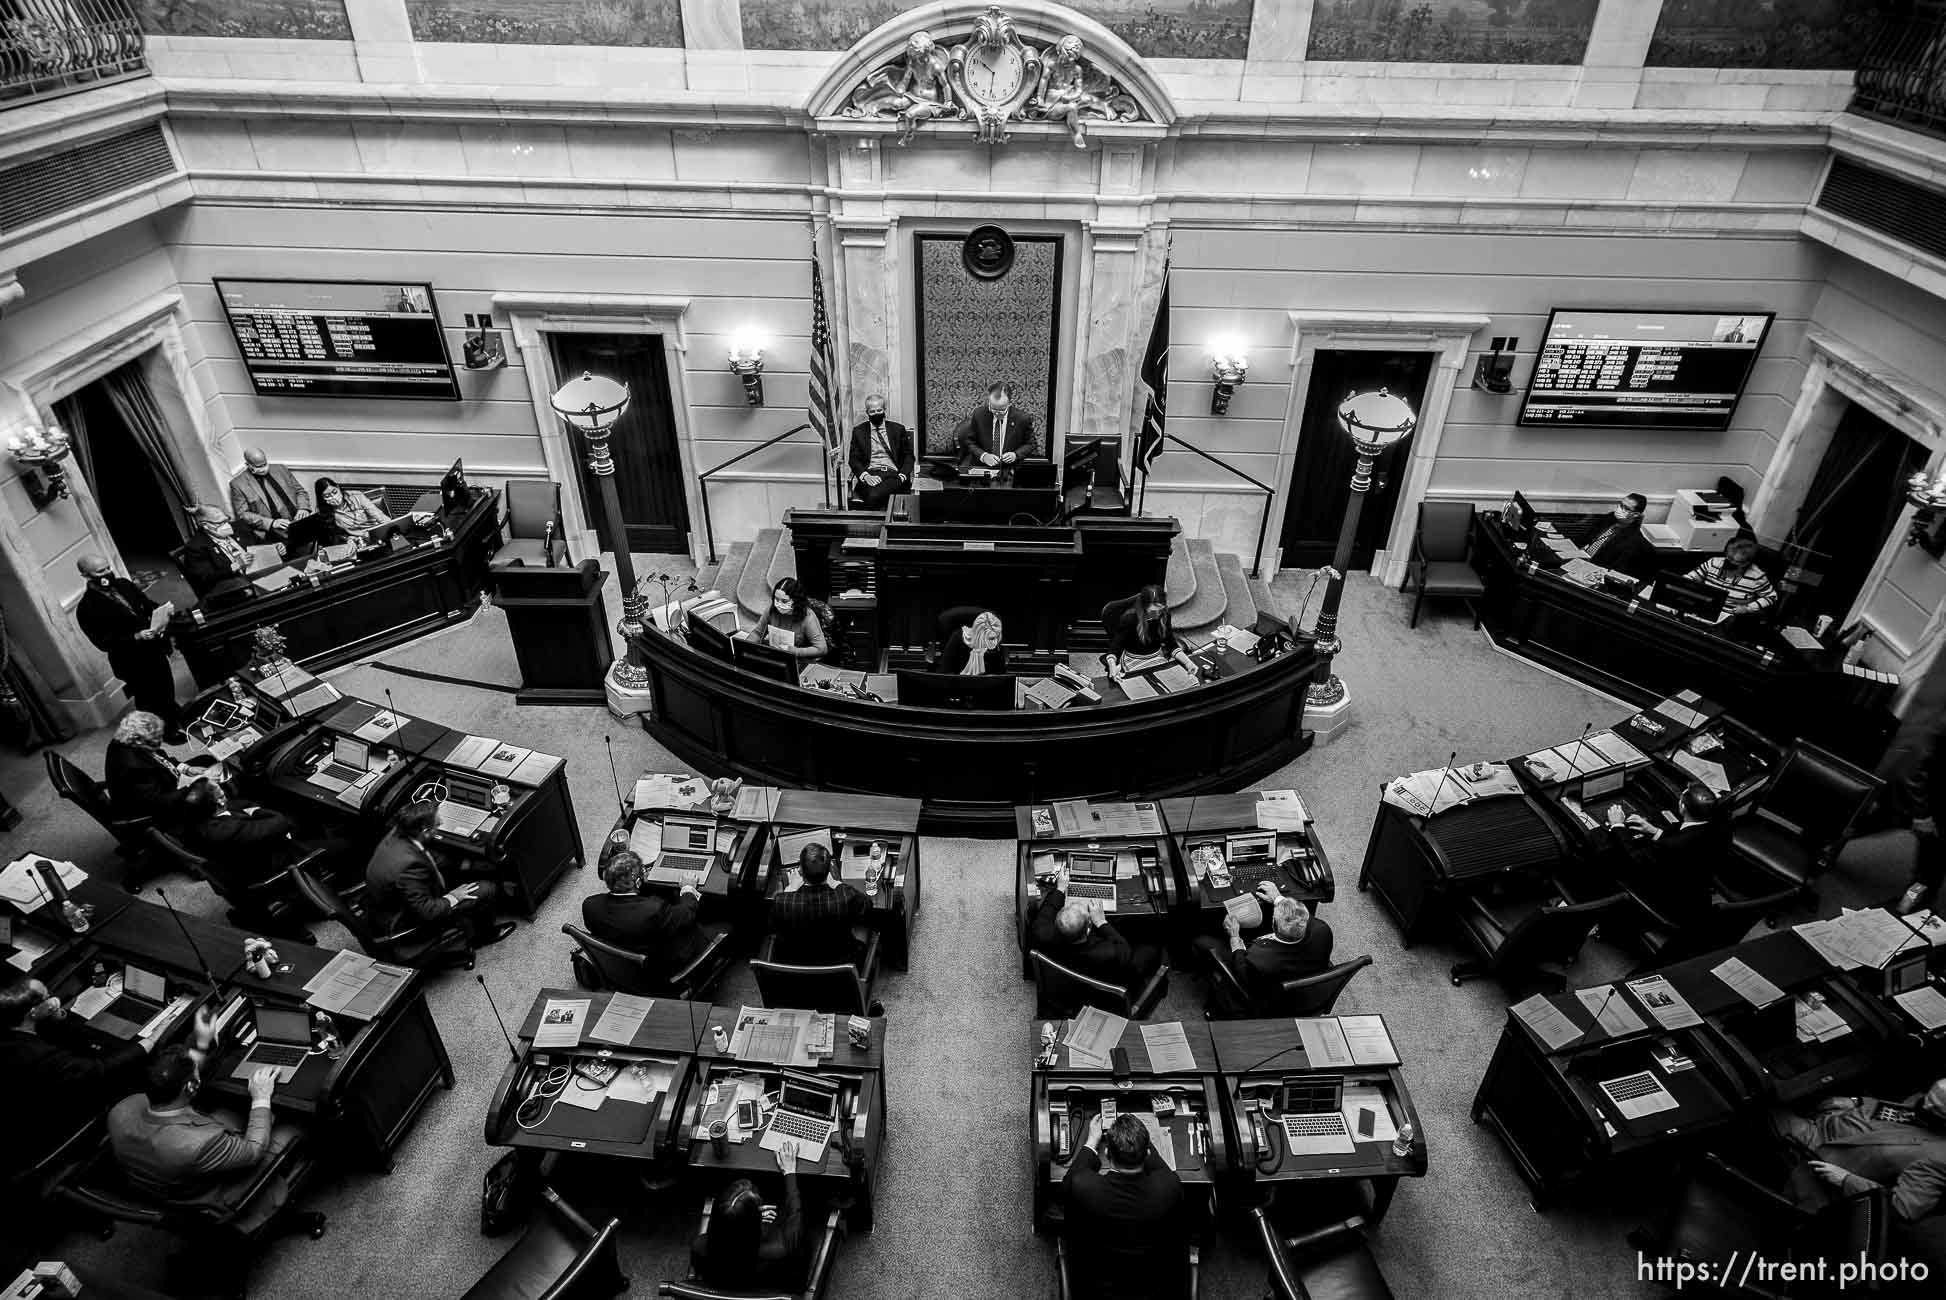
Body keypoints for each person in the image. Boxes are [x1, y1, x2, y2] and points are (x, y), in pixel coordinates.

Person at [107, 1042, 316, 1239]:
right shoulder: (198, 1144)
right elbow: (253, 1152)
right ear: (189, 1087)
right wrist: (261, 1098)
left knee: (230, 1109)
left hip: (173, 1181)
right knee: (298, 1123)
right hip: (221, 1195)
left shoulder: (122, 1110)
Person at [0, 975, 153, 1179]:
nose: (54, 999)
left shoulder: (11, 1034)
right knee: (125, 1083)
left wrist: (55, 1018)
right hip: (41, 1143)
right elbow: (99, 1071)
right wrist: (146, 1044)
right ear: (33, 1012)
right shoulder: (41, 1057)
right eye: (47, 996)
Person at [180, 778, 347, 934]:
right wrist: (256, 811)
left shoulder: (199, 821)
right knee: (346, 845)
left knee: (305, 817)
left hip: (256, 854)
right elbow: (281, 822)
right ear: (219, 802)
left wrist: (254, 811)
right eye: (222, 794)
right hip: (278, 867)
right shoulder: (226, 833)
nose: (226, 795)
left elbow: (243, 804)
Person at [1774, 1079, 1946, 1223]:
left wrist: (1845, 1180)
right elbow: (1896, 1109)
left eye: (1935, 1106)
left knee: (1764, 1098)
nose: (1925, 1104)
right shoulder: (1927, 1102)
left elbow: (1901, 1209)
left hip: (1817, 1143)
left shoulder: (1939, 1158)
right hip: (1836, 1113)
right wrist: (1857, 1101)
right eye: (1929, 1096)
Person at [1062, 1113, 1187, 1300]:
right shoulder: (1169, 1187)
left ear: (1107, 1154)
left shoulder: (1084, 1188)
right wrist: (1138, 1142)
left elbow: (1071, 1179)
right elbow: (1161, 1170)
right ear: (1148, 1154)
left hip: (1097, 1291)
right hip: (1156, 1291)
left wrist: (1091, 1142)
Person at [364, 801, 514, 947]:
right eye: (437, 824)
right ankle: (484, 936)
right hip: (404, 920)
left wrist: (466, 865)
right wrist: (453, 897)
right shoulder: (409, 867)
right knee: (487, 888)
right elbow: (428, 912)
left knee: (472, 870)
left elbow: (427, 855)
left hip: (395, 900)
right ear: (425, 831)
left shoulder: (399, 833)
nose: (441, 823)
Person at [75, 554, 184, 741]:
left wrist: (164, 610)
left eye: (108, 567)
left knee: (165, 686)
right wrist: (135, 636)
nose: (108, 573)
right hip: (130, 660)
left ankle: (172, 715)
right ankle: (162, 732)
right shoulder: (87, 608)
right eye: (101, 571)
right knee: (148, 698)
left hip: (154, 648)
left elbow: (148, 605)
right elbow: (104, 643)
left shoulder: (124, 584)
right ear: (86, 575)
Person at [581, 850, 722, 979]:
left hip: (622, 963)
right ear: (637, 882)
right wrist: (688, 888)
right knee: (726, 928)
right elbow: (686, 914)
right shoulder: (654, 910)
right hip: (662, 969)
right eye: (643, 871)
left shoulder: (589, 905)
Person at [1193, 890, 1335, 1016]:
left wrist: (1234, 936)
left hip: (1268, 999)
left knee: (1202, 941)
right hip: (1304, 989)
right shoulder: (1323, 931)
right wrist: (1278, 898)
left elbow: (1241, 968)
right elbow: (1302, 918)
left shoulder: (1259, 959)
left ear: (1273, 923)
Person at [690, 1142, 806, 1291]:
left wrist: (749, 1219)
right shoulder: (781, 1249)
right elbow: (796, 1214)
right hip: (771, 1285)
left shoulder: (699, 1246)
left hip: (728, 1282)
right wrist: (789, 1171)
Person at [1619, 783, 1731, 927]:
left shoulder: (1671, 846)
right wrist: (1655, 831)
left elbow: (1634, 857)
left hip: (1669, 903)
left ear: (1682, 807)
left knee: (1615, 862)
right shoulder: (1723, 830)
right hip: (1697, 894)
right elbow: (1687, 841)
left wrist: (1618, 825)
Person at [1027, 875, 1162, 991]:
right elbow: (1124, 950)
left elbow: (1048, 910)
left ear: (1056, 922)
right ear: (1089, 928)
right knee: (1151, 948)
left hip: (1063, 985)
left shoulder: (1041, 933)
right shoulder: (1109, 953)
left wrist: (1061, 888)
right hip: (1103, 990)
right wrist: (1102, 922)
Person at [767, 843, 874, 974]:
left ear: (800, 871)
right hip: (839, 968)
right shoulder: (846, 897)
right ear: (830, 869)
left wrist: (790, 890)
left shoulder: (782, 902)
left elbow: (773, 927)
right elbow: (868, 907)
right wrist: (837, 884)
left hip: (795, 967)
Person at [104, 709, 195, 825]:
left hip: (161, 780)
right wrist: (193, 786)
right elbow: (158, 802)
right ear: (139, 741)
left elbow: (158, 756)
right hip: (160, 807)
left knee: (206, 760)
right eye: (157, 739)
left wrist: (186, 769)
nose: (161, 741)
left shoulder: (123, 740)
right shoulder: (134, 768)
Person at [228, 448, 313, 544]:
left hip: (299, 522)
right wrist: (271, 523)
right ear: (248, 465)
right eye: (259, 466)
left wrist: (303, 508)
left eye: (265, 464)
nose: (264, 469)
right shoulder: (238, 484)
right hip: (273, 533)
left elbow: (300, 491)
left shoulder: (280, 469)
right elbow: (243, 514)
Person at [1683, 532, 1775, 621]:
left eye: (1738, 563)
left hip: (1728, 616)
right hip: (1703, 608)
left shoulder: (1757, 576)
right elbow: (1692, 577)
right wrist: (1684, 584)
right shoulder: (1714, 562)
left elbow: (1771, 597)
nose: (1731, 564)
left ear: (1748, 563)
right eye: (1729, 559)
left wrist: (1748, 608)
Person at [314, 476, 433, 544]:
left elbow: (378, 515)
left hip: (380, 533)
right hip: (361, 542)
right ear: (322, 498)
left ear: (338, 488)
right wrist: (352, 539)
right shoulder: (325, 513)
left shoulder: (356, 496)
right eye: (327, 496)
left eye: (334, 492)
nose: (333, 497)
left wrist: (392, 528)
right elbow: (338, 536)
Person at [178, 505, 259, 601]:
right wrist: (236, 566)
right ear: (205, 525)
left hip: (260, 573)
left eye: (226, 520)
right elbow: (207, 578)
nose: (226, 525)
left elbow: (260, 544)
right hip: (235, 589)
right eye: (220, 523)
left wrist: (277, 547)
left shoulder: (240, 527)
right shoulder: (196, 547)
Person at [847, 394, 914, 509]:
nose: (876, 414)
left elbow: (909, 456)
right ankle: (888, 525)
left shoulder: (898, 429)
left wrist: (903, 475)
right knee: (874, 494)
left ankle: (875, 525)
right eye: (872, 411)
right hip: (871, 474)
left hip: (893, 474)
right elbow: (853, 459)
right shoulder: (859, 431)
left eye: (879, 410)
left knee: (874, 495)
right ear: (867, 412)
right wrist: (866, 476)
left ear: (885, 410)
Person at [739, 577, 827, 664]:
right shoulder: (772, 609)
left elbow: (821, 649)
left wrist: (796, 651)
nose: (779, 604)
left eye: (784, 601)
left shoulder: (808, 617)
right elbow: (757, 633)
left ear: (796, 601)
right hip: (775, 655)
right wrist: (746, 648)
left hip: (798, 660)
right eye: (776, 599)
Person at [1105, 585, 1178, 677]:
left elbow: (1170, 642)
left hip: (1157, 656)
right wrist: (1112, 667)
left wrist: (1188, 663)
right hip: (1133, 659)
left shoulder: (1164, 614)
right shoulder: (1129, 619)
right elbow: (1114, 649)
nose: (1157, 615)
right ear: (1144, 607)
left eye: (1160, 610)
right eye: (1153, 611)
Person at [957, 381, 1035, 468]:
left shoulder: (1022, 419)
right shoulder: (979, 414)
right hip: (982, 466)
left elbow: (1031, 444)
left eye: (1001, 410)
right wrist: (984, 456)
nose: (997, 414)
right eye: (993, 408)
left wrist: (1015, 454)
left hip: (1009, 468)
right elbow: (969, 442)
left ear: (1010, 403)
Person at [1583, 492, 1657, 579]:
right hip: (1581, 557)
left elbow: (1615, 569)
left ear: (1635, 514)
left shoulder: (1633, 540)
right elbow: (1586, 537)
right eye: (1621, 505)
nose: (1619, 509)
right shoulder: (1609, 517)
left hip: (1594, 570)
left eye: (1625, 508)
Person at [936, 607, 1005, 676]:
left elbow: (999, 670)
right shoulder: (957, 637)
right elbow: (946, 670)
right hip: (958, 679)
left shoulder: (992, 639)